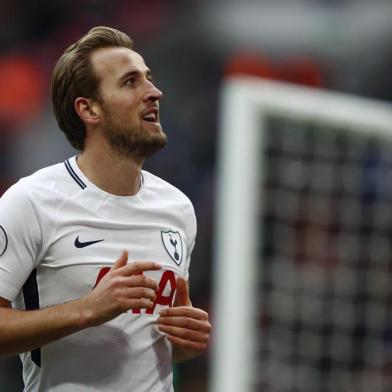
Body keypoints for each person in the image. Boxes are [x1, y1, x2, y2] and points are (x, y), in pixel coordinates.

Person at [0, 26, 211, 391]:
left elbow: (150, 344)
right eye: (131, 82)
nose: (154, 92)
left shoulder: (177, 208)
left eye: (149, 78)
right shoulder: (31, 202)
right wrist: (87, 309)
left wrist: (183, 340)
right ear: (89, 109)